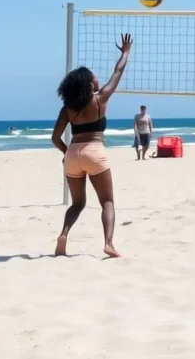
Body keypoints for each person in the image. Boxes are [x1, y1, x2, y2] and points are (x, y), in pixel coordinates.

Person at [51, 33, 132, 258]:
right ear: (89, 83)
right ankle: (108, 243)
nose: (98, 80)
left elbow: (55, 138)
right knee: (107, 201)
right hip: (94, 151)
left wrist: (67, 152)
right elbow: (118, 72)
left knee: (77, 203)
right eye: (94, 77)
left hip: (73, 154)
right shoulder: (101, 98)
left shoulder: (67, 108)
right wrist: (125, 53)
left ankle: (64, 234)